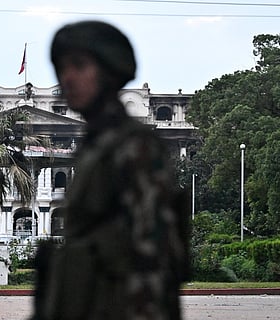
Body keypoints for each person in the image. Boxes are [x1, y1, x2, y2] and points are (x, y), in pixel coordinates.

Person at [32, 21, 189, 320]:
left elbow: (151, 254)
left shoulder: (133, 145)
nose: (67, 78)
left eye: (79, 66)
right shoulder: (97, 144)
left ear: (110, 70)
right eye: (62, 68)